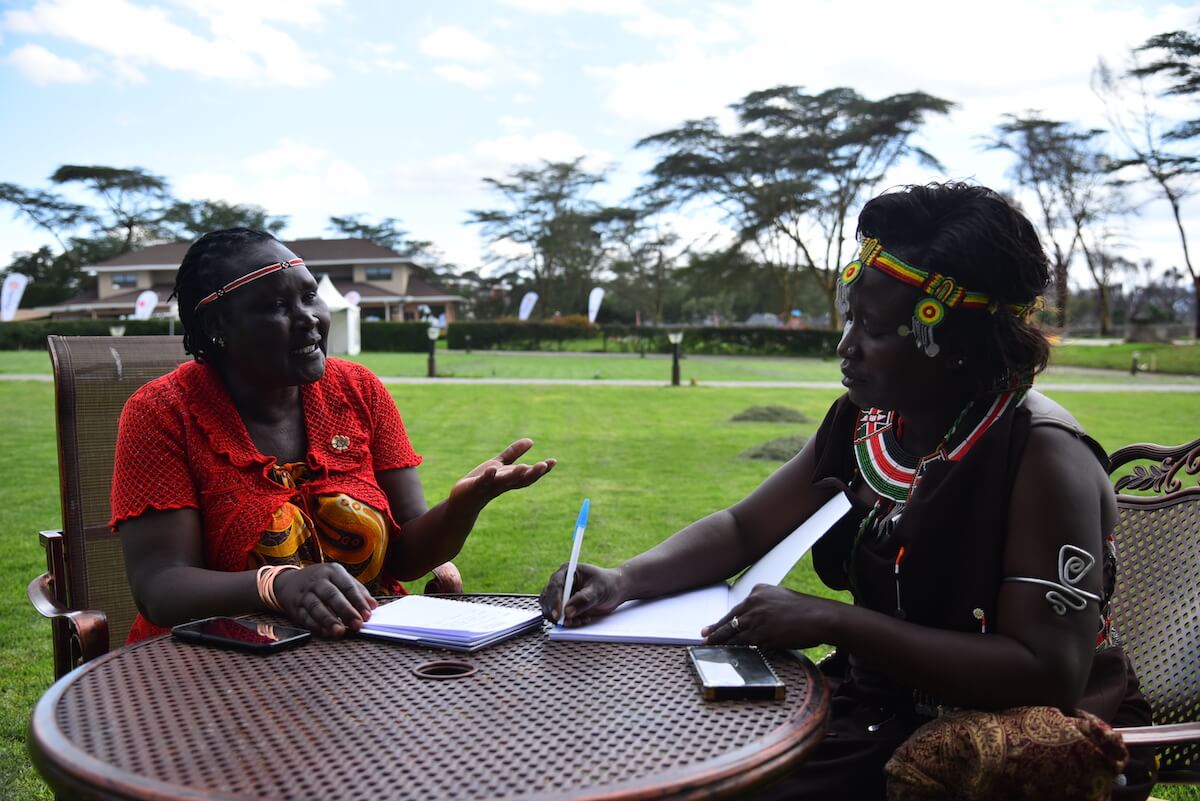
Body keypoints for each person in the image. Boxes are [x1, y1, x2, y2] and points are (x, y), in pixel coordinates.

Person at [540, 183, 1154, 800]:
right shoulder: (869, 422)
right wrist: (623, 581)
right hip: (877, 711)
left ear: (956, 340)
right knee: (659, 752)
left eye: (875, 328)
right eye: (850, 318)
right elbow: (743, 530)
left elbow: (1047, 673)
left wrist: (838, 621)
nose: (845, 347)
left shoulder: (1043, 455)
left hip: (1007, 746)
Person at [113, 228, 555, 642]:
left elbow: (405, 557)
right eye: (277, 306)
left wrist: (463, 504)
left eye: (310, 296)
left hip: (367, 649)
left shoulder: (358, 390)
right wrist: (276, 585)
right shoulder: (162, 413)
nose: (308, 318)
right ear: (216, 325)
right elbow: (161, 588)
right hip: (219, 664)